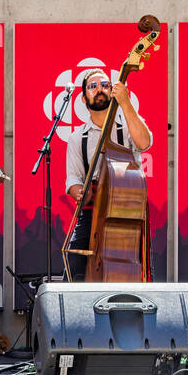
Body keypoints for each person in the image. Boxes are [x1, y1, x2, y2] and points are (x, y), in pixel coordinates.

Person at [62, 69, 153, 280]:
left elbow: (144, 143)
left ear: (112, 91)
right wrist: (78, 191)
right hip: (93, 210)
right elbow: (74, 178)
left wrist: (126, 103)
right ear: (84, 98)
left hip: (127, 209)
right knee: (74, 265)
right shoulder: (77, 138)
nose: (99, 89)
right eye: (92, 86)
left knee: (130, 269)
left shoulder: (128, 123)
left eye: (104, 84)